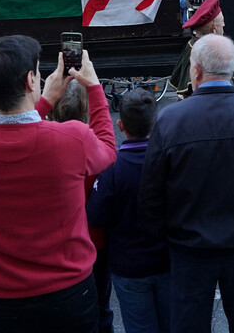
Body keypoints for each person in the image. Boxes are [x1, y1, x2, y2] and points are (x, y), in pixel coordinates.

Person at [0, 35, 115, 333]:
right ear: (30, 79)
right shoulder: (73, 139)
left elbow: (13, 133)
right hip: (70, 290)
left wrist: (44, 102)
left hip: (4, 298)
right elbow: (107, 151)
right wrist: (94, 87)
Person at [140, 34, 234, 333]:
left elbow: (151, 193)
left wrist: (164, 236)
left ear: (195, 71)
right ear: (231, 71)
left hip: (189, 248)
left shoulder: (170, 119)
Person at [87, 88, 171, 333]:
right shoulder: (169, 161)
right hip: (167, 262)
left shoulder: (113, 169)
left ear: (120, 125)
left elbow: (96, 215)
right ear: (155, 125)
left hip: (129, 267)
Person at [168, 0, 224, 97]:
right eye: (222, 22)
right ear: (214, 28)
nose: (224, 25)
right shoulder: (208, 53)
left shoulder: (193, 44)